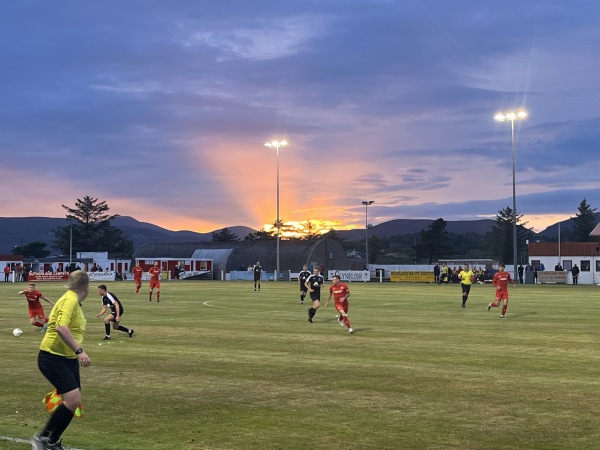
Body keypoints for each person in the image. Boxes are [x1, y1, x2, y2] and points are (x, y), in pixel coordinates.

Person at [31, 270, 91, 450]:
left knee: (73, 401)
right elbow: (61, 328)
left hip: (66, 358)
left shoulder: (72, 299)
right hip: (52, 357)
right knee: (72, 399)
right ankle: (41, 438)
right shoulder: (70, 300)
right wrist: (80, 351)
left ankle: (52, 441)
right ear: (86, 288)